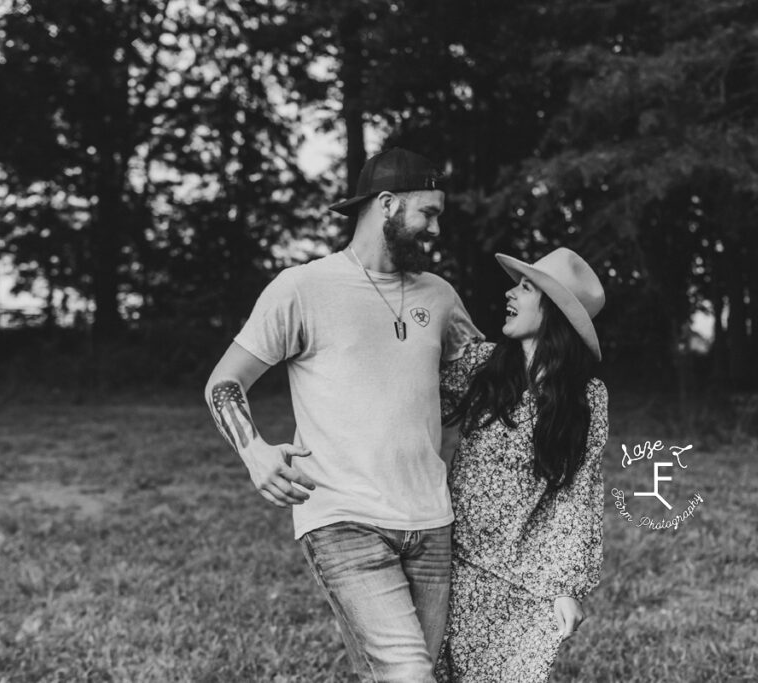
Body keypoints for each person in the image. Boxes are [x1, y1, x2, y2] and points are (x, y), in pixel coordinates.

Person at [204, 148, 481, 682]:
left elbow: (477, 384)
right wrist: (253, 450)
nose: (437, 229)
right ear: (386, 205)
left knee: (410, 673)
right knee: (408, 674)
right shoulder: (303, 289)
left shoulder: (440, 296)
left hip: (431, 520)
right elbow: (225, 381)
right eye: (429, 212)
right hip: (341, 517)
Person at [434, 247, 608, 682]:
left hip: (527, 579)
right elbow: (412, 390)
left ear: (552, 312)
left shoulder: (587, 398)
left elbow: (578, 495)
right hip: (452, 562)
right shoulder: (483, 366)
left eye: (525, 287)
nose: (510, 293)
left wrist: (565, 587)